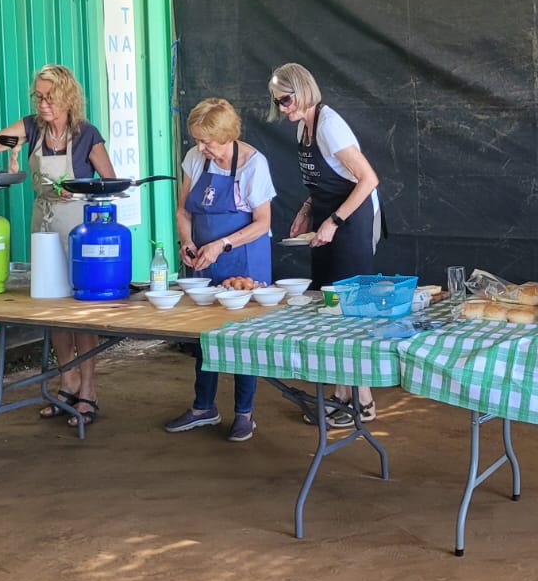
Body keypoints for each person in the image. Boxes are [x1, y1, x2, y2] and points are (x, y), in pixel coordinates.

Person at [0, 64, 116, 427]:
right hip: (44, 221)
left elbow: (110, 183)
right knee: (52, 307)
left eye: (50, 96)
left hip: (79, 225)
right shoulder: (30, 128)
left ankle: (89, 391)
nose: (43, 103)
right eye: (39, 96)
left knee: (80, 311)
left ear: (68, 97)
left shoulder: (87, 135)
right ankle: (67, 383)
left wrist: (78, 190)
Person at [270, 62, 383, 428]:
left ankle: (363, 400)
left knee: (350, 310)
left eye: (285, 100)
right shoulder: (303, 125)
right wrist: (307, 210)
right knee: (330, 306)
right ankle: (342, 394)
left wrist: (334, 222)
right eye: (277, 102)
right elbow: (325, 180)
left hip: (353, 220)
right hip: (327, 217)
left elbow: (367, 179)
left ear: (303, 91)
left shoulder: (329, 125)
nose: (282, 108)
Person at [163, 98, 276, 442]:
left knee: (244, 338)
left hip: (244, 260)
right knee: (204, 335)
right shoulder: (196, 158)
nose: (200, 148)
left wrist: (222, 244)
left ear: (227, 136)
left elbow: (262, 222)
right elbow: (184, 210)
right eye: (197, 140)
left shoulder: (253, 164)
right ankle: (203, 408)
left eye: (207, 141)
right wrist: (187, 241)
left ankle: (244, 414)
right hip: (204, 260)